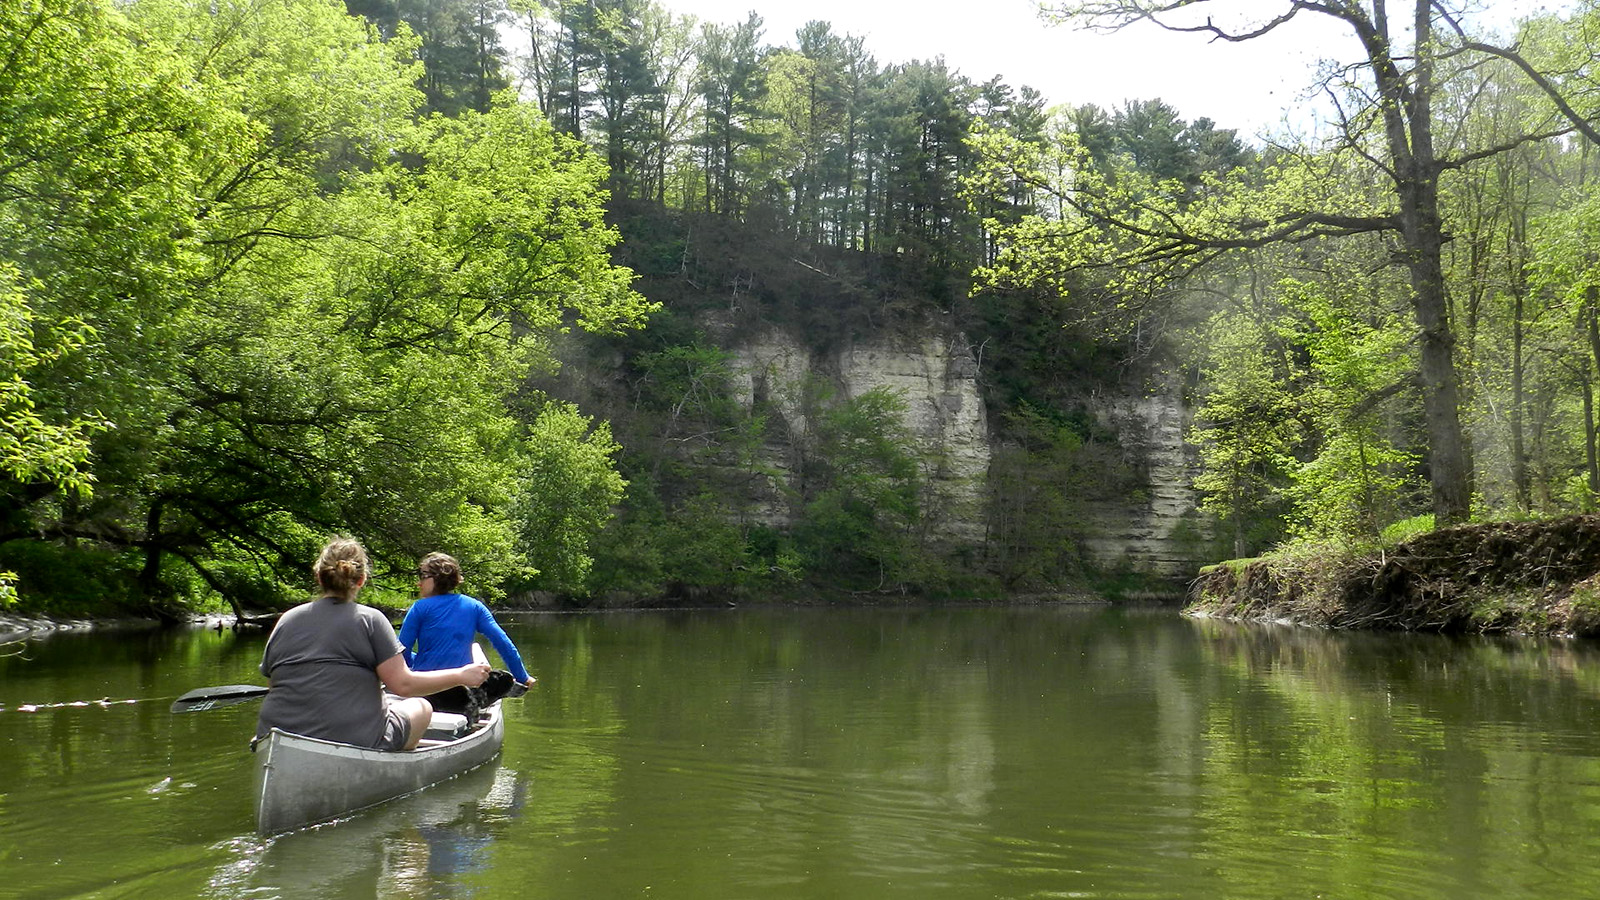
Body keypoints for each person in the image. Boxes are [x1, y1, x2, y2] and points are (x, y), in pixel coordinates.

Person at [255, 537, 490, 751]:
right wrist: (461, 675)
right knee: (421, 707)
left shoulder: (286, 619)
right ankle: (398, 762)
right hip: (354, 736)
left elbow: (274, 684)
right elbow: (404, 686)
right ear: (361, 580)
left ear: (318, 577)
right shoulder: (370, 619)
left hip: (276, 732)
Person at [398, 552, 535, 717]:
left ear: (437, 578)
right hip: (461, 693)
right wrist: (523, 677)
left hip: (425, 689)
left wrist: (419, 661)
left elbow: (401, 652)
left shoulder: (419, 608)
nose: (418, 582)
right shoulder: (475, 607)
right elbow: (503, 643)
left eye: (423, 575)